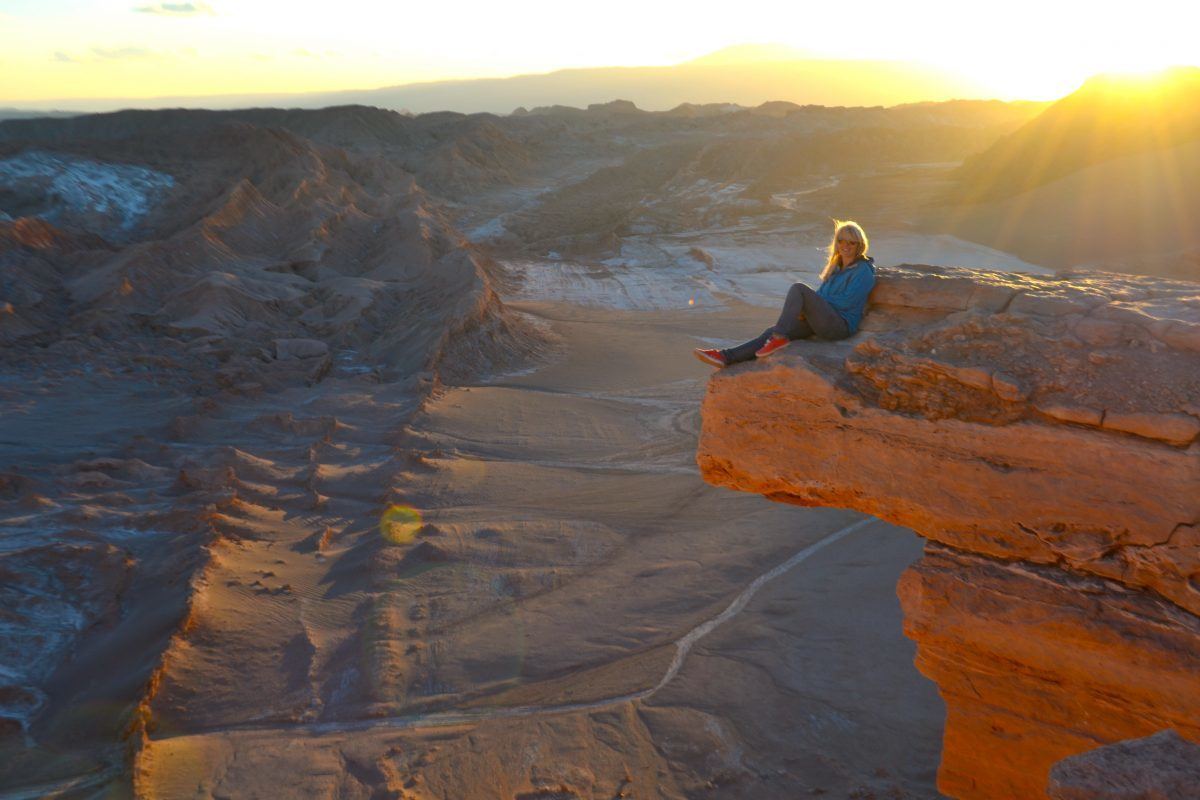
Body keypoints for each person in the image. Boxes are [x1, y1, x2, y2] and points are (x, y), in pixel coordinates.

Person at [694, 220, 876, 367]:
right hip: (823, 320)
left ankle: (779, 339)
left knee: (799, 289)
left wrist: (811, 308)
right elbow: (822, 295)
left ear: (859, 245)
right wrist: (810, 311)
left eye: (851, 242)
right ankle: (726, 357)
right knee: (771, 331)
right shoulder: (836, 268)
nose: (845, 245)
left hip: (839, 326)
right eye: (841, 240)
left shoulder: (863, 271)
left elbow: (846, 302)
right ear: (836, 243)